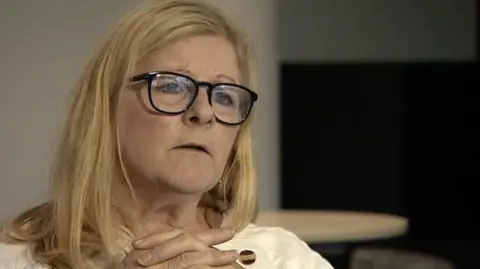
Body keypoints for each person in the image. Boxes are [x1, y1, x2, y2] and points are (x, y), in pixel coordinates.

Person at [0, 0, 334, 268]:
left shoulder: (286, 258)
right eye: (171, 85)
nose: (204, 113)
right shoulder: (17, 259)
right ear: (106, 107)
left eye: (224, 96)